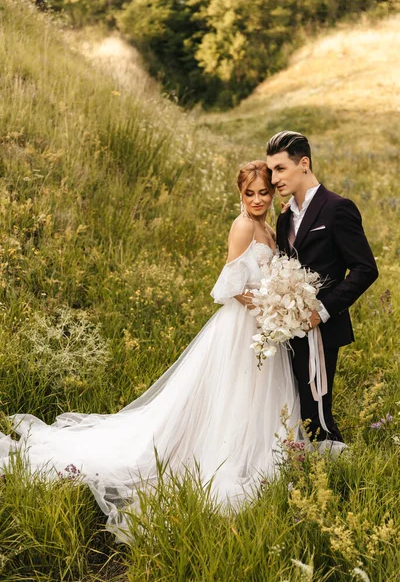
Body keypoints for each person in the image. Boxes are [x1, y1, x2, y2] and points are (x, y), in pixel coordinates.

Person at [0, 160, 300, 542]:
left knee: (255, 396)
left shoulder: (266, 226)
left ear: (272, 193)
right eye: (249, 193)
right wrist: (269, 306)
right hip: (242, 329)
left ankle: (253, 448)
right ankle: (221, 454)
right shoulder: (243, 227)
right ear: (239, 195)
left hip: (261, 330)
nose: (257, 200)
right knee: (233, 395)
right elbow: (228, 287)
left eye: (263, 192)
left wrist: (277, 304)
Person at [266, 130, 379, 445]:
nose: (274, 178)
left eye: (280, 168)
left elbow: (365, 269)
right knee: (293, 406)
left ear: (304, 164)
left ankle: (338, 474)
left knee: (317, 415)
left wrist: (322, 310)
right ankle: (303, 467)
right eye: (271, 170)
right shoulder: (284, 218)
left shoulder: (337, 208)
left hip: (322, 329)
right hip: (287, 328)